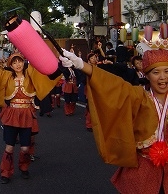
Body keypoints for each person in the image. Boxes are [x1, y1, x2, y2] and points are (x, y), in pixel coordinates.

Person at [61, 47, 168, 193]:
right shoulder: (138, 96)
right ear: (147, 75)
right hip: (143, 167)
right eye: (156, 72)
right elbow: (112, 85)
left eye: (167, 71)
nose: (162, 77)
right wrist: (80, 64)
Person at [0, 50, 60, 184]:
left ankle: (24, 167)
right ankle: (6, 172)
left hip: (26, 115)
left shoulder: (30, 74)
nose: (18, 65)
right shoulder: (6, 76)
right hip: (11, 114)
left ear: (24, 62)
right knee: (9, 147)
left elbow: (43, 67)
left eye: (20, 61)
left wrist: (60, 61)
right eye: (14, 62)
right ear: (10, 65)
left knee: (25, 148)